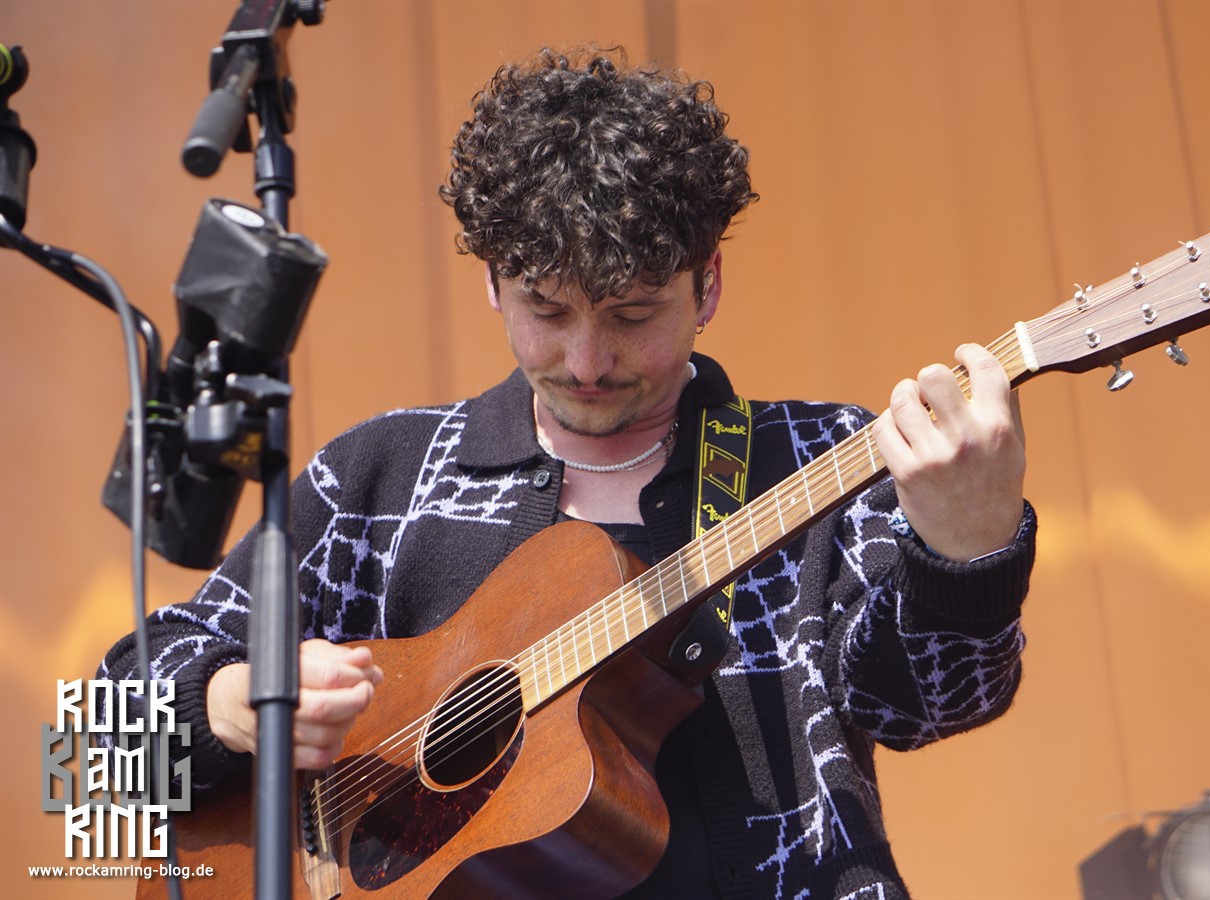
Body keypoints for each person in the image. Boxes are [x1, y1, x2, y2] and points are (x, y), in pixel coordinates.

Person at [100, 47, 1035, 899]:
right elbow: (99, 741)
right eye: (545, 310)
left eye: (633, 314)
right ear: (491, 281)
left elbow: (929, 704)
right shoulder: (382, 475)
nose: (587, 361)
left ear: (708, 283)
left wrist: (968, 548)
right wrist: (226, 707)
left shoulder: (819, 455)